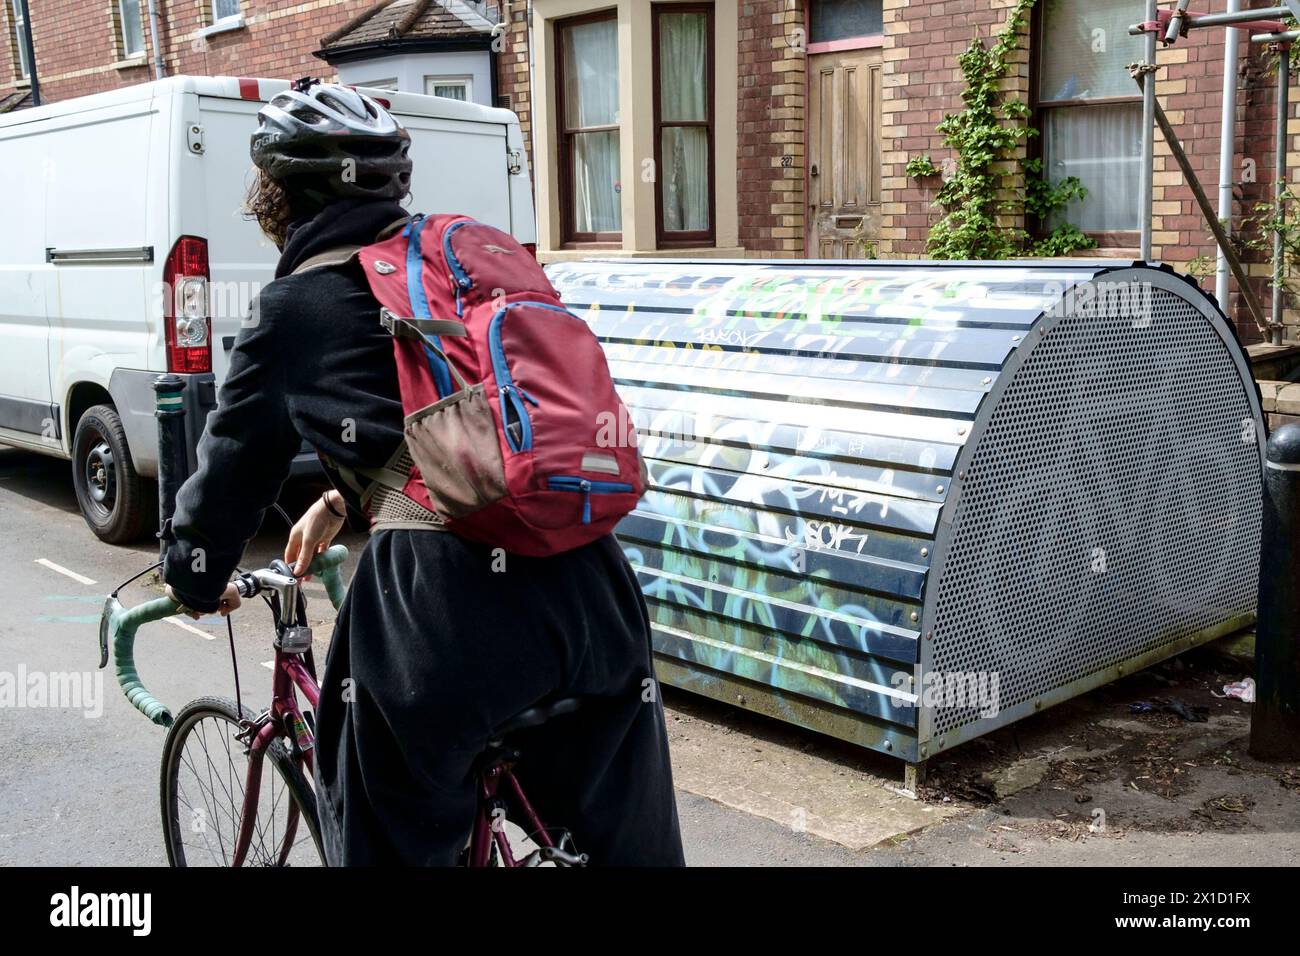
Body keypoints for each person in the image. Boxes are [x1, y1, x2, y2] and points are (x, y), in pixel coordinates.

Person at [160, 80, 685, 866]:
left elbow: (229, 474)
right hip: (596, 601)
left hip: (446, 620)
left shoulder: (293, 308)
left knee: (381, 822)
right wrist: (345, 494)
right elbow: (475, 431)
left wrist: (192, 576)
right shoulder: (451, 265)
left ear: (276, 198)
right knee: (629, 851)